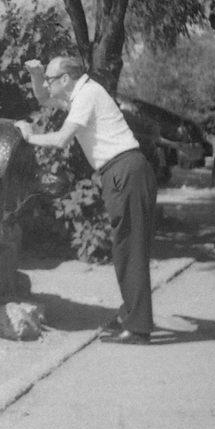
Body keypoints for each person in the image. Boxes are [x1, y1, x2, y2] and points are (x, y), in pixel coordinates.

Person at [14, 56, 158, 345]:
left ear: (65, 79)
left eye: (50, 79)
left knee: (130, 248)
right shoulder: (81, 93)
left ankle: (138, 328)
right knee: (125, 247)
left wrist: (29, 137)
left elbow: (61, 139)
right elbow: (44, 98)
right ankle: (131, 316)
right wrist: (37, 75)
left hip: (123, 171)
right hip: (120, 171)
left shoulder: (87, 95)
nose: (47, 84)